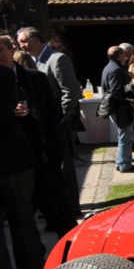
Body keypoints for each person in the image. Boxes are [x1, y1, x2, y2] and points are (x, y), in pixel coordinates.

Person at [0, 36, 77, 237]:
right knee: (23, 221)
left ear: (11, 51)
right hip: (13, 163)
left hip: (42, 156)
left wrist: (53, 149)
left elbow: (53, 113)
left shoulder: (34, 78)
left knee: (59, 210)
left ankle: (72, 252)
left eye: (1, 50)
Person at [16, 26, 82, 217]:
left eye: (24, 41)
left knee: (65, 165)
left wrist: (60, 118)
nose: (22, 46)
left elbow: (69, 92)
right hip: (43, 123)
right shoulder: (34, 62)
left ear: (36, 39)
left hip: (57, 122)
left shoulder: (56, 59)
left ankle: (71, 206)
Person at [0, 59, 45, 269]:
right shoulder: (6, 75)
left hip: (12, 157)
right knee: (23, 221)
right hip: (12, 157)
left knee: (22, 221)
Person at [101, 45, 134, 173]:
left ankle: (121, 162)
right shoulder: (116, 70)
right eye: (124, 54)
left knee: (124, 135)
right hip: (120, 108)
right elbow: (116, 91)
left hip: (117, 107)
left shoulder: (109, 68)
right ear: (119, 56)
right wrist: (129, 100)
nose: (126, 56)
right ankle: (125, 164)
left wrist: (131, 87)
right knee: (126, 136)